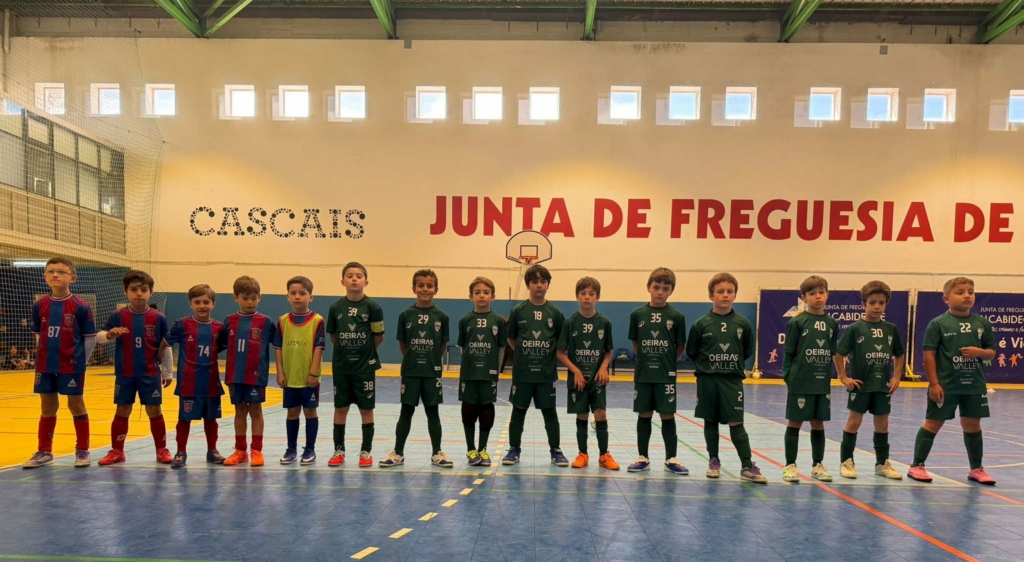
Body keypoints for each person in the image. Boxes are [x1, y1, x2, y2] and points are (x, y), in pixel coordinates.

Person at [908, 277, 997, 485]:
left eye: (970, 292)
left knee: (973, 425)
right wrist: (934, 384)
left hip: (974, 385)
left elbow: (991, 353)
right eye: (960, 292)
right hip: (946, 385)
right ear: (946, 298)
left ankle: (976, 469)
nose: (967, 295)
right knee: (933, 423)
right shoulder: (938, 324)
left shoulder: (982, 324)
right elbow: (929, 356)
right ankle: (916, 465)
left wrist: (978, 352)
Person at [688, 273, 766, 483]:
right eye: (720, 291)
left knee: (736, 421)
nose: (725, 295)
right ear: (711, 295)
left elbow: (746, 351)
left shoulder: (743, 324)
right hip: (708, 380)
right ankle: (713, 461)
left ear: (735, 295)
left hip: (732, 380)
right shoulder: (700, 324)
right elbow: (692, 352)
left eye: (730, 291)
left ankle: (747, 465)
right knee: (710, 421)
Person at [23, 257, 97, 469]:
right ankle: (44, 451)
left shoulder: (81, 306)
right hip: (45, 364)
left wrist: (82, 362)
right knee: (47, 406)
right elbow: (39, 335)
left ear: (72, 278)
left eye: (61, 272)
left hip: (72, 364)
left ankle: (82, 449)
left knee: (76, 404)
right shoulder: (39, 305)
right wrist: (41, 356)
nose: (55, 275)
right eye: (51, 271)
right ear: (44, 277)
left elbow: (90, 338)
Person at [96, 270, 174, 466]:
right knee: (122, 409)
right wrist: (110, 335)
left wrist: (168, 372)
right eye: (134, 289)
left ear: (150, 292)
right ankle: (117, 451)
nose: (139, 293)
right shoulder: (118, 316)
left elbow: (165, 345)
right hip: (125, 373)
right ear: (126, 291)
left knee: (154, 410)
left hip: (150, 373)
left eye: (143, 290)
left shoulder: (159, 317)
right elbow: (99, 337)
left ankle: (161, 449)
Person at [379, 270, 452, 468]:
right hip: (411, 372)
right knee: (406, 411)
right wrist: (413, 360)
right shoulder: (405, 315)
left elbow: (442, 345)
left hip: (431, 372)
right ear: (414, 289)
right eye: (421, 285)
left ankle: (437, 453)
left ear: (436, 289)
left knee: (433, 412)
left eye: (429, 286)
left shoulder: (442, 316)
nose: (425, 289)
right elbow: (403, 343)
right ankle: (398, 452)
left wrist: (431, 361)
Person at [835, 281, 905, 480]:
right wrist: (843, 376)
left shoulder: (891, 329)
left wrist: (896, 376)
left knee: (882, 424)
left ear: (886, 304)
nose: (877, 307)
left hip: (882, 386)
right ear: (863, 304)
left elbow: (899, 354)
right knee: (854, 422)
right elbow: (838, 353)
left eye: (881, 303)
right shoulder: (855, 329)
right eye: (872, 303)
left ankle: (882, 464)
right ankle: (846, 461)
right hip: (861, 385)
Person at [502, 264, 567, 467]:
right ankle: (514, 449)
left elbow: (560, 341)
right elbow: (511, 339)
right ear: (528, 285)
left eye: (542, 281)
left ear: (548, 284)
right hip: (523, 374)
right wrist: (524, 353)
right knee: (518, 412)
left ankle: (556, 450)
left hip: (546, 374)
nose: (538, 285)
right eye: (534, 281)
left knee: (550, 413)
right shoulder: (519, 311)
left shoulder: (555, 312)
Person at [627, 267, 688, 475]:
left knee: (667, 415)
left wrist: (666, 362)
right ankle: (642, 457)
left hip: (666, 375)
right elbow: (636, 343)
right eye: (656, 287)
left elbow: (680, 346)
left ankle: (671, 458)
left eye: (665, 288)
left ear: (671, 291)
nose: (660, 292)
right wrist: (647, 359)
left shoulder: (676, 316)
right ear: (648, 287)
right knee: (644, 414)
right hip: (644, 374)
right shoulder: (637, 314)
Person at [160, 284, 226, 469]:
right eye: (197, 302)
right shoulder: (182, 324)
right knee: (184, 418)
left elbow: (221, 347)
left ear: (213, 304)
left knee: (211, 418)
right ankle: (181, 452)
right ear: (190, 303)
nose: (202, 306)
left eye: (206, 302)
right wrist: (158, 360)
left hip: (211, 381)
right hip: (189, 381)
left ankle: (212, 451)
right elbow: (165, 343)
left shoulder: (219, 327)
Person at [326, 262, 385, 468]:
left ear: (365, 282)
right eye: (349, 275)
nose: (354, 279)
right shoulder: (335, 308)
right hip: (342, 368)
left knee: (366, 409)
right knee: (340, 408)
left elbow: (379, 336)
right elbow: (334, 337)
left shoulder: (373, 307)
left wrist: (364, 355)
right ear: (342, 281)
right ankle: (339, 450)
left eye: (358, 276)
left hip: (364, 369)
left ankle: (366, 451)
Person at [782, 275, 839, 483]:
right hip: (800, 381)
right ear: (804, 298)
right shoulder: (797, 322)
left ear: (827, 295)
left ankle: (817, 465)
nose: (818, 296)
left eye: (821, 292)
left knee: (818, 423)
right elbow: (789, 352)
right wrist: (788, 376)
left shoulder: (832, 323)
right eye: (812, 293)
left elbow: (832, 351)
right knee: (795, 422)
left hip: (821, 383)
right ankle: (790, 465)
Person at [557, 276, 617, 470]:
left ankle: (604, 455)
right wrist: (575, 371)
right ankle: (582, 454)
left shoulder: (604, 323)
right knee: (582, 415)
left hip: (597, 378)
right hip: (578, 379)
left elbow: (608, 351)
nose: (587, 297)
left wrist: (603, 367)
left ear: (598, 297)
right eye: (583, 293)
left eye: (591, 294)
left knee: (600, 413)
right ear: (577, 296)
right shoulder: (570, 323)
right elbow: (560, 352)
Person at [221, 276, 277, 468]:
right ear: (235, 297)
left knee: (255, 410)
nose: (250, 302)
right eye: (245, 298)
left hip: (256, 376)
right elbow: (220, 345)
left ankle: (257, 450)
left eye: (254, 298)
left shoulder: (266, 322)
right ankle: (240, 450)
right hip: (235, 375)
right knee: (239, 411)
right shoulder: (229, 321)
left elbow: (278, 345)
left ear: (259, 297)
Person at [274, 276, 325, 466]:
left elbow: (319, 348)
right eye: (293, 293)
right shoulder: (282, 321)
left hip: (308, 378)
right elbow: (278, 349)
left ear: (310, 297)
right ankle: (291, 449)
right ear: (287, 296)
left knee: (310, 412)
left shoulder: (317, 320)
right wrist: (280, 373)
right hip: (290, 377)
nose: (297, 297)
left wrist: (313, 373)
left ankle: (310, 449)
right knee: (292, 413)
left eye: (302, 293)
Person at [457, 277, 505, 467]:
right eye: (477, 292)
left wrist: (496, 371)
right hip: (469, 375)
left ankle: (483, 449)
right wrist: (468, 367)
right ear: (471, 297)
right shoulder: (465, 320)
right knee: (469, 411)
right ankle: (471, 450)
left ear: (493, 296)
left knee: (486, 410)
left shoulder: (498, 321)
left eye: (486, 292)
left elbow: (501, 348)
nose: (482, 296)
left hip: (488, 374)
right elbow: (463, 347)